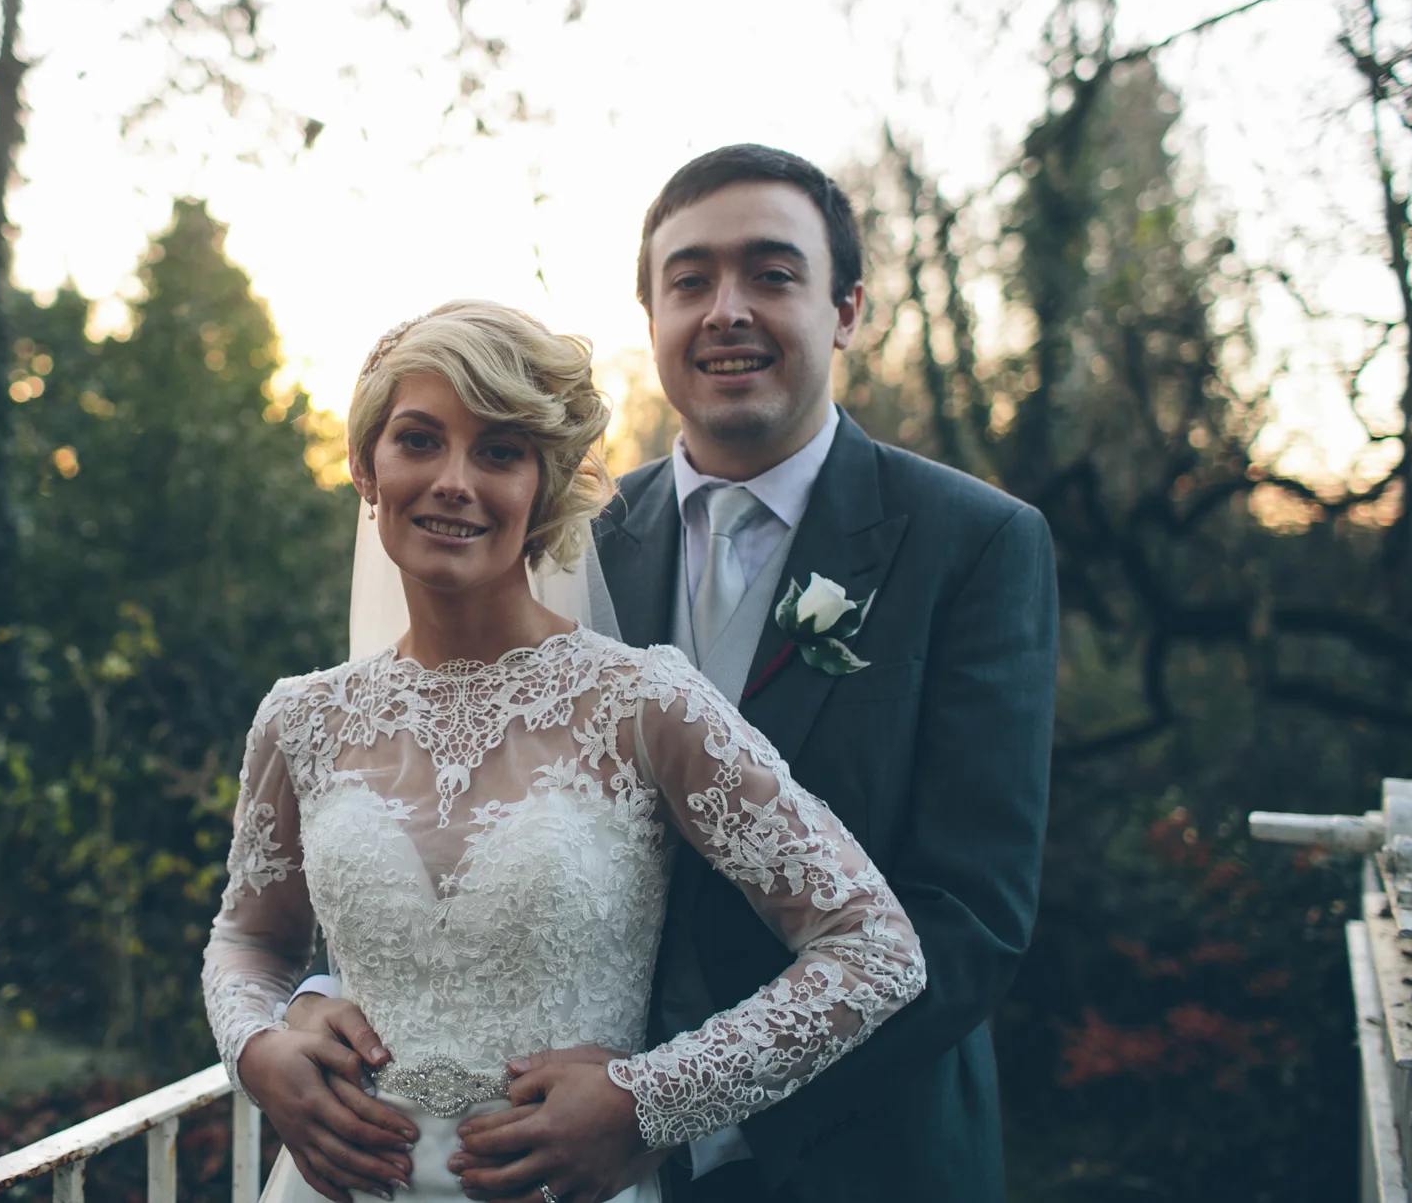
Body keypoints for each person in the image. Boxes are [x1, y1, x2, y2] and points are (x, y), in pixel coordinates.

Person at [282, 146, 1058, 1203]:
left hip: (854, 1155)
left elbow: (968, 913)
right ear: (649, 315)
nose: (725, 309)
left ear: (845, 309)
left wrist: (670, 1105)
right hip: (539, 1160)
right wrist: (327, 998)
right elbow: (429, 790)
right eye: (689, 280)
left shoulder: (973, 543)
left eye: (771, 274)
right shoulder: (551, 530)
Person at [201, 299, 926, 1203]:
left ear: (545, 487)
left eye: (499, 451)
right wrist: (258, 1046)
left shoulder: (643, 702)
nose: (454, 480)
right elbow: (249, 938)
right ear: (365, 466)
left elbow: (874, 945)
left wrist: (649, 1101)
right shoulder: (300, 718)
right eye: (419, 440)